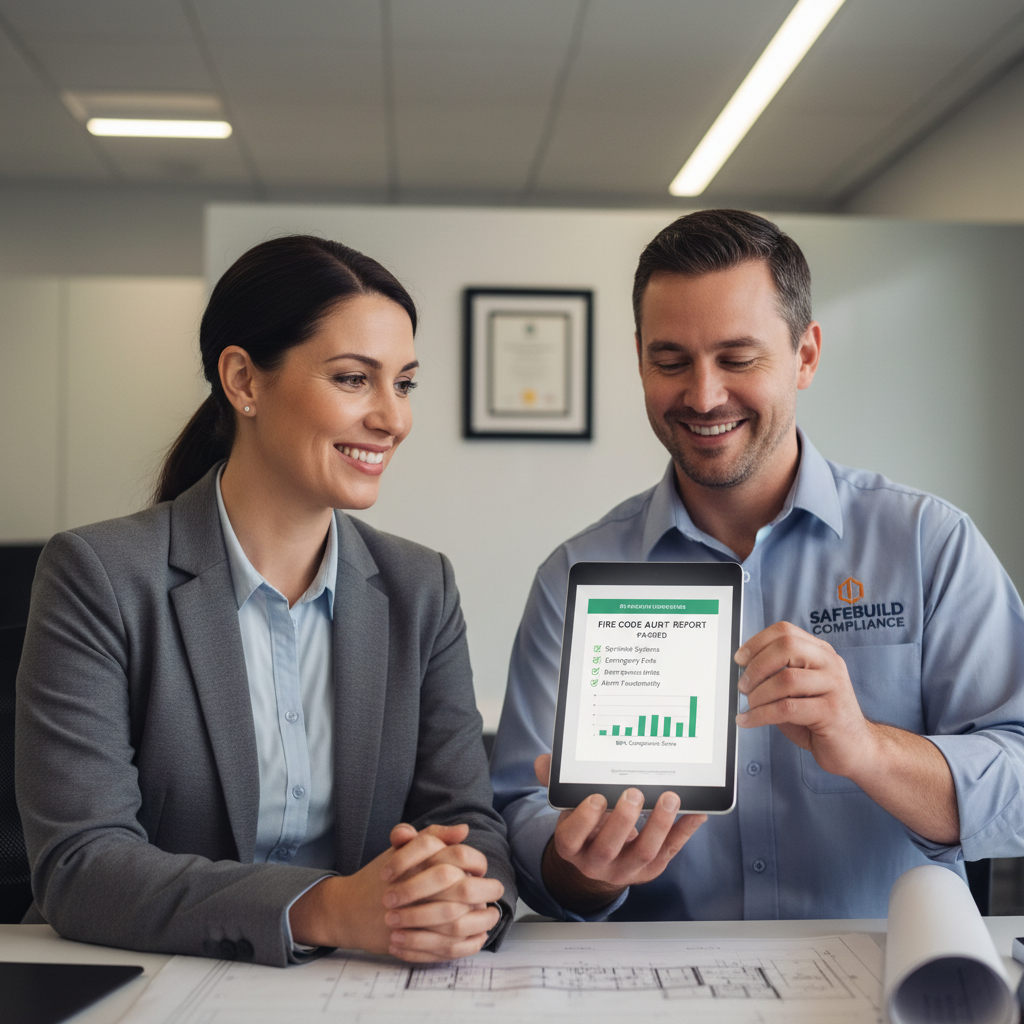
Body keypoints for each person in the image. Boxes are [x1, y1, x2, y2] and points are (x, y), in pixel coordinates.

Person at [491, 209, 1024, 922]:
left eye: (738, 359)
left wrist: (867, 748)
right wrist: (582, 871)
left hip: (884, 972)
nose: (704, 396)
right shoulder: (574, 574)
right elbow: (521, 812)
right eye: (671, 362)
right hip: (660, 978)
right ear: (640, 358)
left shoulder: (930, 544)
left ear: (805, 356)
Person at [16, 235, 515, 966]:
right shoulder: (98, 575)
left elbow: (469, 823)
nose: (393, 419)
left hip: (365, 986)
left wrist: (460, 896)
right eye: (354, 379)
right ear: (244, 380)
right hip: (146, 982)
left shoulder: (421, 587)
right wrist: (326, 908)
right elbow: (81, 864)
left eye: (405, 384)